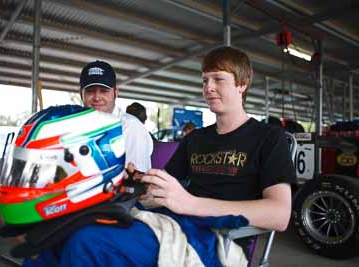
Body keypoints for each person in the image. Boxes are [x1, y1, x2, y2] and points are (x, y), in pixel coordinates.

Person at [23, 47, 295, 266]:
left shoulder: (269, 138)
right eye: (205, 80)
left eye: (218, 79)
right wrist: (139, 180)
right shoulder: (195, 139)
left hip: (219, 240)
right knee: (55, 238)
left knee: (87, 242)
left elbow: (279, 214)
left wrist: (189, 203)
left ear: (242, 85)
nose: (208, 88)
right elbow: (163, 187)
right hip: (175, 224)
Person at [79, 60, 153, 172]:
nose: (97, 97)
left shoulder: (131, 128)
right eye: (90, 91)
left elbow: (137, 180)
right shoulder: (74, 124)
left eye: (104, 91)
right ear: (81, 93)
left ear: (116, 92)